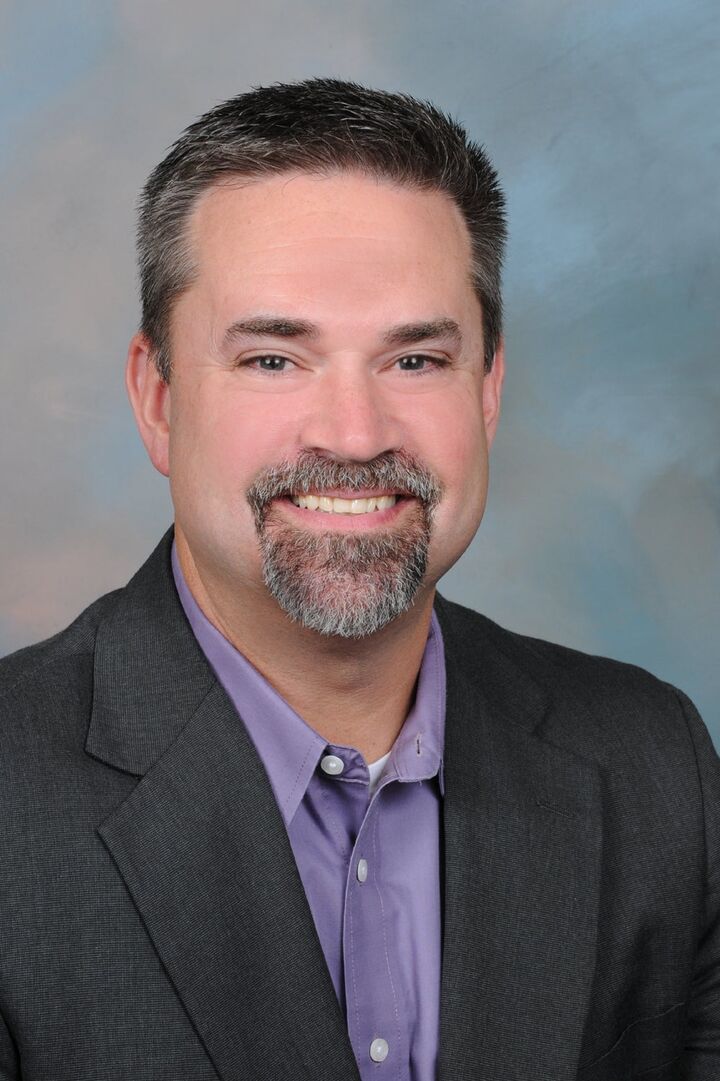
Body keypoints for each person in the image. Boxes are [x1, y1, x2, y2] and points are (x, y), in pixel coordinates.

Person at [0, 78, 717, 1081]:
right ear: (158, 399)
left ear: (488, 391)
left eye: (415, 360)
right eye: (273, 360)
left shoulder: (655, 763)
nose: (354, 434)